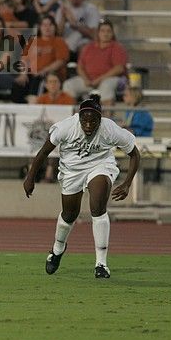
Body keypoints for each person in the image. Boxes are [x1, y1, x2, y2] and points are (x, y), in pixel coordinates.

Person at [23, 94, 141, 279]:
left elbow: (135, 154)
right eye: (84, 121)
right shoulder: (66, 127)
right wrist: (30, 178)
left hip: (100, 166)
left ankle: (101, 264)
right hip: (71, 171)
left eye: (92, 121)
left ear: (100, 119)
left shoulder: (109, 129)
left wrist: (127, 184)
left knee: (98, 208)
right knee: (69, 214)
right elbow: (43, 152)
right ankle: (58, 248)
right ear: (78, 118)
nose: (88, 125)